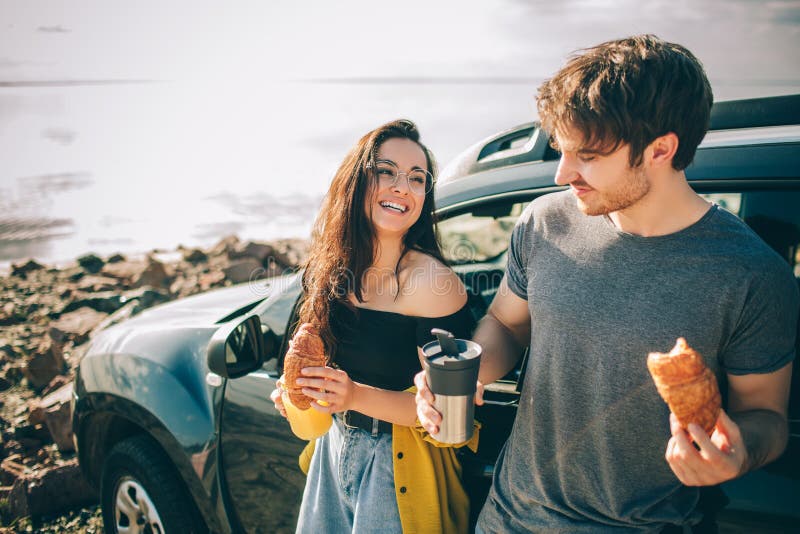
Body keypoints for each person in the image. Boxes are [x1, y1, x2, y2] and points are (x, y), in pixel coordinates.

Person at [415, 35, 798, 533]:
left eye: (588, 155)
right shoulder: (544, 222)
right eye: (562, 150)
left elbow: (766, 415)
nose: (561, 174)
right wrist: (468, 373)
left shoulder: (751, 274)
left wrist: (736, 453)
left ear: (661, 149)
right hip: (508, 518)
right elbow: (506, 325)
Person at [270, 119, 477, 533]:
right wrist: (299, 393)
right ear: (357, 182)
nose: (402, 186)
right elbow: (310, 373)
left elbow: (445, 417)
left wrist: (352, 395)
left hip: (399, 465)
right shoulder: (327, 272)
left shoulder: (432, 284)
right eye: (386, 172)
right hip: (331, 450)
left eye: (417, 179)